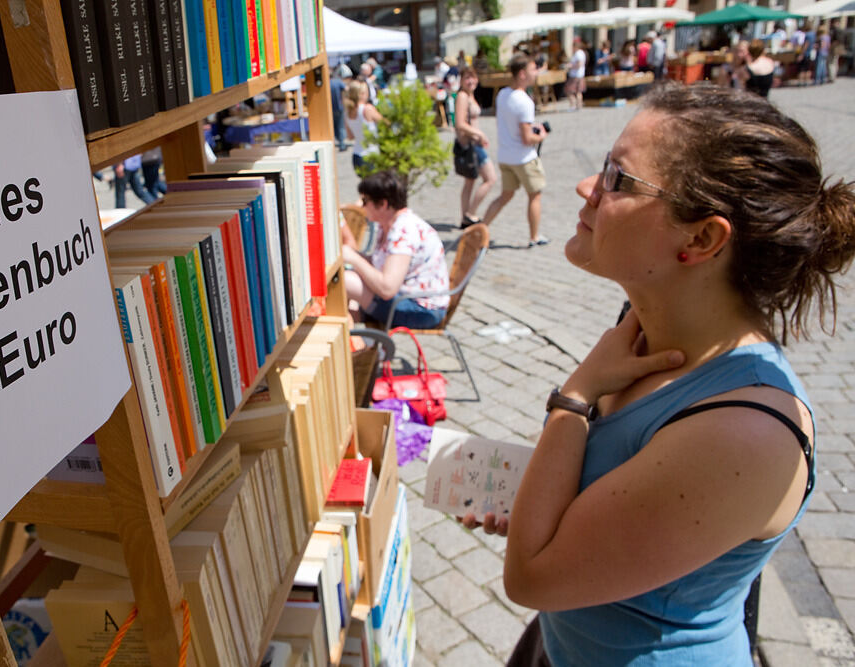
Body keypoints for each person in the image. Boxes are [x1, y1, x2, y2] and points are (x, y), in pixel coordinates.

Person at [462, 82, 855, 666]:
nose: (587, 188)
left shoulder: (746, 433)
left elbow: (531, 578)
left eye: (617, 179)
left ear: (701, 238)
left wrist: (574, 399)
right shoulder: (650, 329)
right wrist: (542, 505)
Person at [342, 170, 450, 329]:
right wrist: (355, 257)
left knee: (346, 282)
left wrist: (354, 259)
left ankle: (366, 347)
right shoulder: (387, 223)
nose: (361, 205)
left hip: (422, 309)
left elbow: (387, 288)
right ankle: (368, 347)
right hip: (407, 299)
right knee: (345, 307)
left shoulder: (403, 231)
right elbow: (380, 264)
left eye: (365, 201)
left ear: (383, 204)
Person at [480, 53, 547, 247]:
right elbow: (527, 138)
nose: (536, 73)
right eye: (533, 69)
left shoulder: (503, 94)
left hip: (505, 156)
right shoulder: (524, 101)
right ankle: (534, 237)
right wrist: (541, 136)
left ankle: (482, 228)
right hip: (523, 158)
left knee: (505, 196)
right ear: (522, 74)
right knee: (535, 195)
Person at [454, 66, 497, 229]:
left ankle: (465, 217)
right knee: (490, 178)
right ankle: (470, 213)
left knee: (470, 181)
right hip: (471, 144)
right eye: (467, 78)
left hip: (473, 143)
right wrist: (479, 134)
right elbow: (459, 123)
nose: (471, 81)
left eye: (473, 77)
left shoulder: (470, 95)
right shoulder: (463, 97)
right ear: (461, 80)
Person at [343, 80, 383, 172]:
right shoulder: (367, 109)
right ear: (361, 94)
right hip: (370, 154)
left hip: (357, 155)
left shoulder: (347, 113)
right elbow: (385, 124)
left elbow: (350, 136)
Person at [330, 63, 352, 151]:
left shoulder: (328, 83)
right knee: (340, 126)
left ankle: (339, 141)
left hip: (331, 108)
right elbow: (346, 89)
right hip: (339, 107)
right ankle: (342, 144)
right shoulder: (338, 82)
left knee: (334, 126)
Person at [565, 37, 587, 110]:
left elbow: (579, 64)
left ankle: (573, 105)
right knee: (578, 91)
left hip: (575, 75)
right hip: (579, 74)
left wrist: (570, 66)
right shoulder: (581, 53)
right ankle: (579, 105)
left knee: (569, 90)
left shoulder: (578, 53)